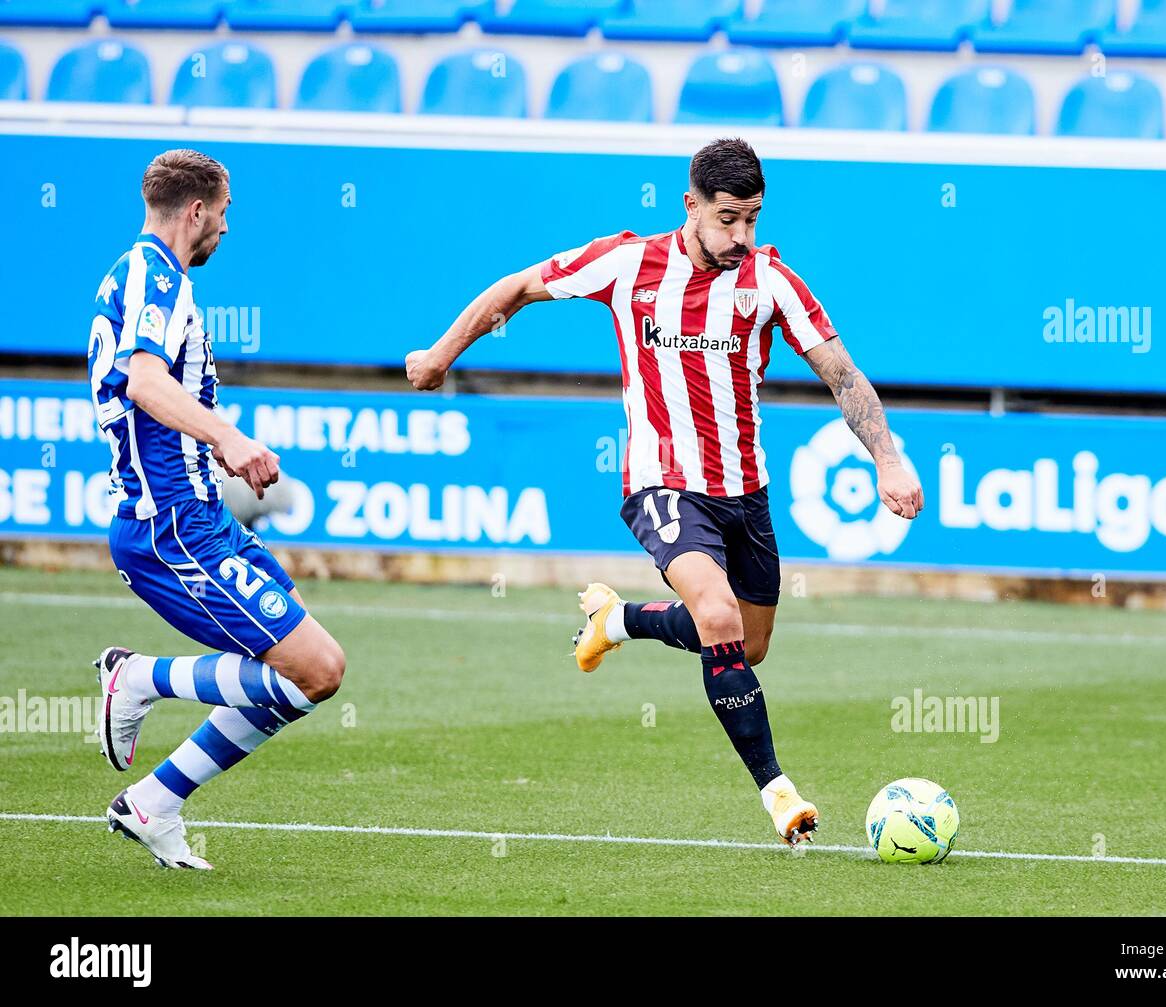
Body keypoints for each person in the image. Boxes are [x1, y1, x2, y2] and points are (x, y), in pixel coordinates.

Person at [405, 138, 922, 845]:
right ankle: (779, 795)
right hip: (662, 483)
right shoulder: (627, 262)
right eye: (729, 218)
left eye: (754, 219)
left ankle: (617, 622)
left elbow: (842, 372)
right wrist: (440, 354)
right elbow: (517, 288)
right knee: (716, 614)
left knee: (749, 642)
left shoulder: (770, 280)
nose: (742, 235)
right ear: (692, 205)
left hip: (746, 491)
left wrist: (887, 460)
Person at [87, 149, 346, 869]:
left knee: (297, 660)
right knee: (317, 668)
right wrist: (230, 437)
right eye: (224, 214)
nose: (226, 230)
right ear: (197, 210)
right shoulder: (151, 275)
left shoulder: (152, 279)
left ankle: (154, 803)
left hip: (202, 517)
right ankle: (135, 677)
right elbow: (142, 380)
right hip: (171, 523)